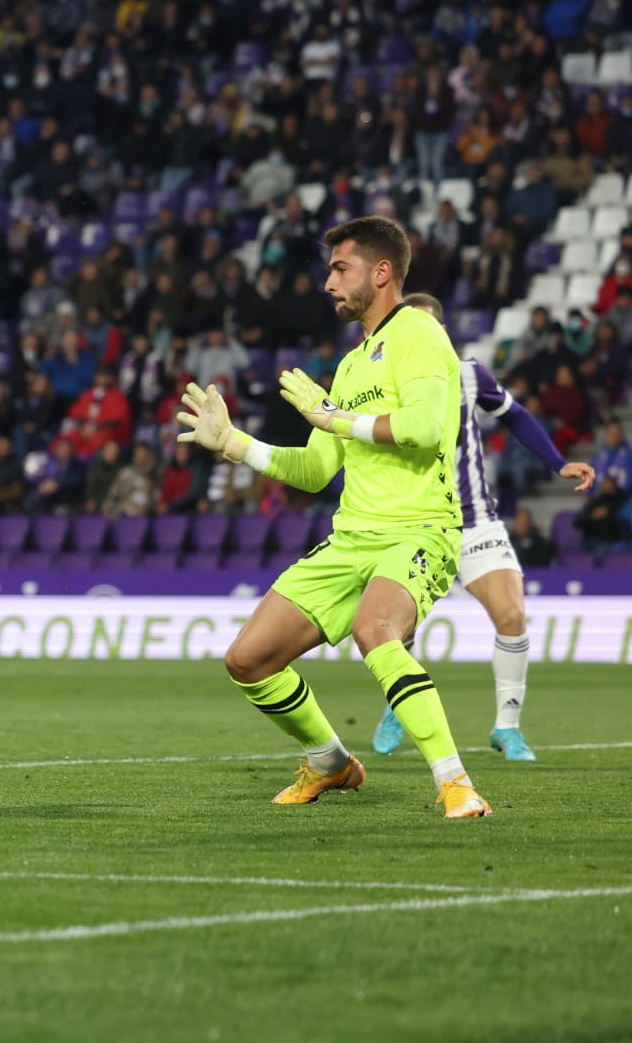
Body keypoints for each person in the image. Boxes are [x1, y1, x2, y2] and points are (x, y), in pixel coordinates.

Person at [176, 216, 490, 819]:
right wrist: (235, 444)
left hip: (419, 531)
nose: (328, 282)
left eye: (339, 268)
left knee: (377, 631)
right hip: (351, 540)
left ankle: (456, 784)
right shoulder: (350, 366)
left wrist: (334, 419)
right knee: (247, 659)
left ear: (380, 272)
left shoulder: (418, 333)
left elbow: (424, 430)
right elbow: (318, 470)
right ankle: (331, 763)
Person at [371, 294, 596, 762]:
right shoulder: (384, 378)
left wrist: (557, 464)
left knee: (512, 616)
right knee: (394, 628)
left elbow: (513, 413)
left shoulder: (468, 372)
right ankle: (397, 706)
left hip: (474, 520)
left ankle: (507, 728)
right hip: (412, 522)